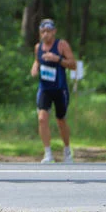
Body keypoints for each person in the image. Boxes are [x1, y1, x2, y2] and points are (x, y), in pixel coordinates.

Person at [31, 19, 76, 163]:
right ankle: (48, 153)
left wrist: (57, 59)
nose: (46, 35)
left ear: (54, 32)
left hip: (60, 89)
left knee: (60, 120)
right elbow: (37, 60)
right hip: (44, 88)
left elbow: (73, 64)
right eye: (43, 32)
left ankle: (67, 150)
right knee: (42, 118)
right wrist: (35, 67)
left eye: (48, 32)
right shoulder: (38, 47)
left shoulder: (61, 45)